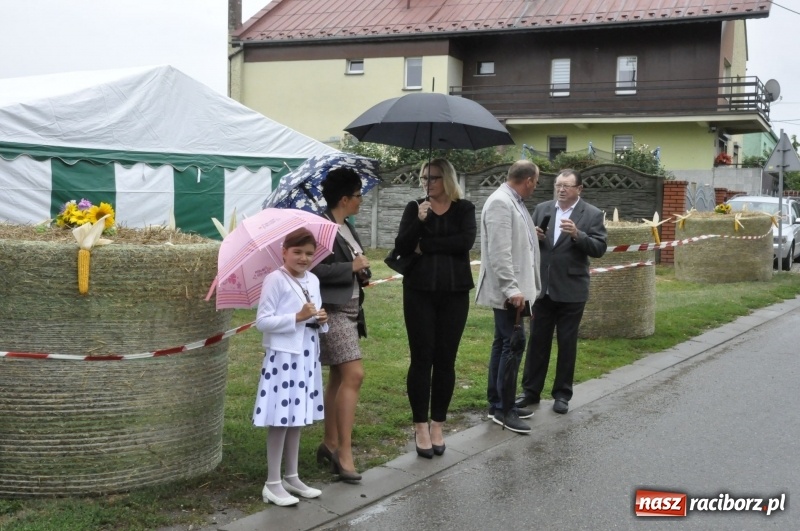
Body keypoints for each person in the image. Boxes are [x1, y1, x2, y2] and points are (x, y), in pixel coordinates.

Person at [394, 159, 476, 458]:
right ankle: (420, 426)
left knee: (445, 359)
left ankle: (437, 423)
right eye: (424, 177)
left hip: (454, 293)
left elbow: (464, 241)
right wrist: (419, 221)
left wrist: (426, 245)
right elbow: (402, 245)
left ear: (448, 179)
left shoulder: (464, 208)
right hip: (419, 292)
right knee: (421, 358)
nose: (428, 182)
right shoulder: (415, 207)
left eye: (434, 178)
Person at [516, 168, 608, 415]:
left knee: (567, 343)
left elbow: (599, 248)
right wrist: (532, 237)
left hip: (572, 289)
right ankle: (530, 392)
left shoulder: (592, 214)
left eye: (567, 186)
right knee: (537, 342)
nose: (561, 190)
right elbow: (527, 243)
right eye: (558, 185)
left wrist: (578, 235)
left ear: (579, 189)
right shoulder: (542, 209)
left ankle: (562, 394)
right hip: (542, 289)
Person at [252, 227, 329, 507]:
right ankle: (272, 482)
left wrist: (321, 319)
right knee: (280, 418)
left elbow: (316, 319)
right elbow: (262, 321)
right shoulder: (275, 280)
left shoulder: (314, 280)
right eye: (297, 252)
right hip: (284, 358)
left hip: (306, 356)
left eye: (309, 253)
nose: (303, 258)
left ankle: (292, 476)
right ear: (284, 252)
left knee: (297, 417)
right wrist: (297, 316)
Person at [311, 167, 370, 483]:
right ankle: (343, 454)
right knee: (354, 374)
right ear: (345, 198)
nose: (362, 200)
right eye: (359, 195)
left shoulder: (347, 226)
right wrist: (351, 266)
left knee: (338, 375)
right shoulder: (321, 229)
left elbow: (349, 266)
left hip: (351, 310)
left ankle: (330, 443)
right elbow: (313, 269)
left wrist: (360, 273)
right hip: (331, 311)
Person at [475, 160, 542, 434]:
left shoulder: (512, 201)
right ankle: (504, 410)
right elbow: (499, 252)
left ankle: (498, 403)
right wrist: (512, 289)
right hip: (508, 292)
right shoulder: (501, 202)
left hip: (512, 289)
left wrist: (530, 234)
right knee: (513, 345)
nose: (535, 188)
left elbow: (511, 238)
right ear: (527, 180)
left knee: (503, 343)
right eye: (535, 182)